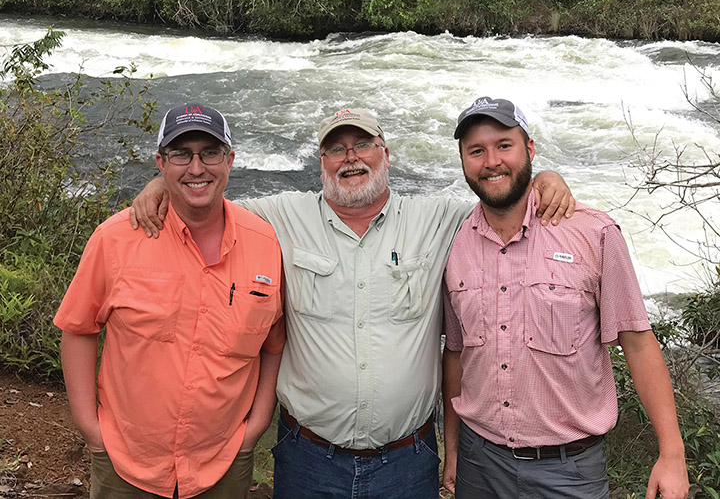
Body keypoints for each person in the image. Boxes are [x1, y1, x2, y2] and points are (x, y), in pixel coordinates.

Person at [130, 107, 575, 498]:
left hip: (407, 461)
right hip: (307, 457)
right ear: (321, 163)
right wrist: (161, 185)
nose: (351, 157)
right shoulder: (280, 217)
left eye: (363, 144)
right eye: (336, 149)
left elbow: (500, 197)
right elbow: (207, 197)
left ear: (386, 154)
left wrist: (546, 179)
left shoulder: (439, 220)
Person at [442, 96, 689, 499]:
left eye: (504, 145)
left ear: (530, 149)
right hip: (479, 463)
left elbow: (638, 343)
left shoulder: (594, 233)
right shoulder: (453, 243)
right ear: (463, 160)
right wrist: (452, 451)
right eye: (476, 151)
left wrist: (672, 454)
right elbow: (455, 354)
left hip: (569, 471)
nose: (492, 161)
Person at [54, 103, 285, 499]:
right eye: (181, 154)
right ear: (161, 163)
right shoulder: (116, 238)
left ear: (230, 159)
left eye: (209, 153)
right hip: (126, 462)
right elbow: (78, 329)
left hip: (224, 462)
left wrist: (256, 425)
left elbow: (273, 344)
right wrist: (91, 429)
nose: (197, 168)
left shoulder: (265, 243)